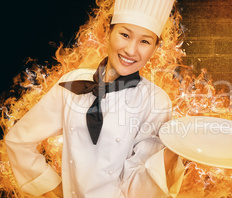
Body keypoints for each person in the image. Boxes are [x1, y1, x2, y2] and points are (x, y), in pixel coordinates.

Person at [5, 0, 185, 197]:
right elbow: (19, 140)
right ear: (109, 32)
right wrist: (51, 189)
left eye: (145, 41)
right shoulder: (72, 83)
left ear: (155, 48)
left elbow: (140, 189)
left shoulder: (156, 101)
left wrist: (173, 153)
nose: (131, 50)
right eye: (125, 35)